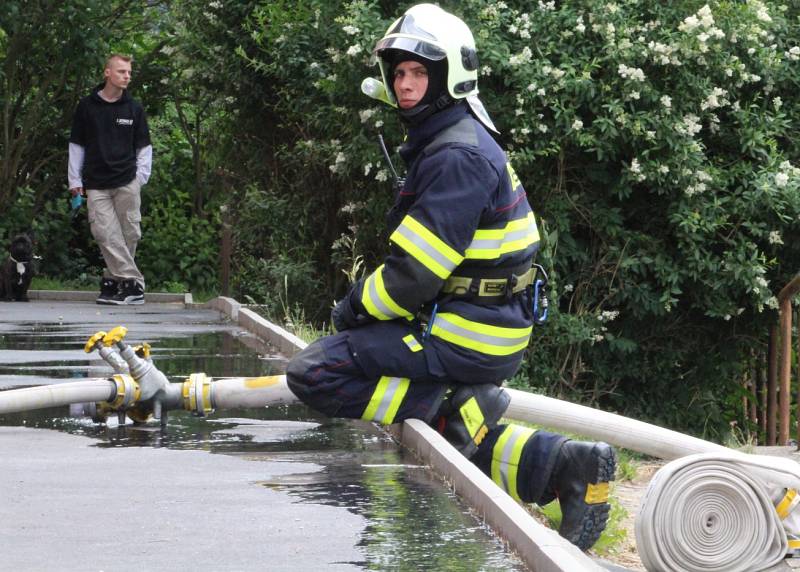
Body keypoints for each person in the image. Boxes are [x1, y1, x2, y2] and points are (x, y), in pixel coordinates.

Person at [286, 3, 616, 551]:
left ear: (447, 77)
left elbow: (411, 278)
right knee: (455, 425)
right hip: (480, 322)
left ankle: (458, 410)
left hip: (468, 331)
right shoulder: (452, 138)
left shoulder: (456, 155)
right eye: (398, 74)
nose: (404, 85)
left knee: (315, 372)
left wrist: (350, 311)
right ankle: (564, 466)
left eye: (418, 72)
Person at [68, 54, 152, 305]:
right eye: (121, 71)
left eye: (129, 72)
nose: (127, 76)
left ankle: (113, 281)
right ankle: (134, 285)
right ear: (107, 73)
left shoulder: (134, 108)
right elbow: (76, 145)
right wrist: (75, 180)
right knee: (104, 233)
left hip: (127, 180)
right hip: (95, 183)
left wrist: (140, 178)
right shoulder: (87, 107)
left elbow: (144, 147)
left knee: (129, 234)